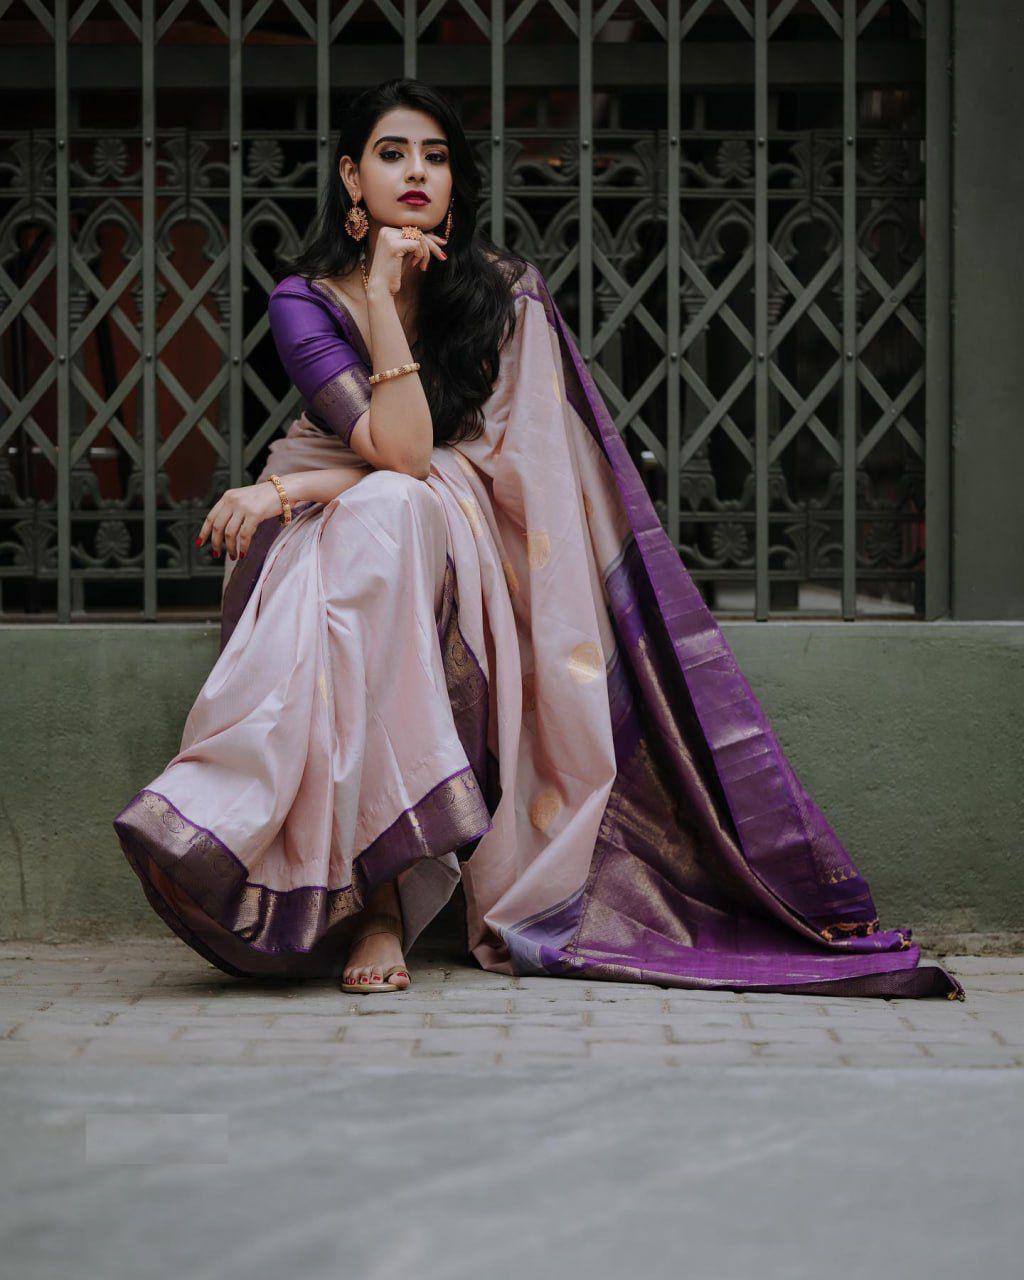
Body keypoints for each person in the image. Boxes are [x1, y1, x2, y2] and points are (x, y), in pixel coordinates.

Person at [112, 78, 964, 1002]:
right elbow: (395, 455)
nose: (415, 172)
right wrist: (360, 348)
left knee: (397, 515)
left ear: (456, 180)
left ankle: (380, 902)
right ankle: (367, 893)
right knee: (384, 529)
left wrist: (287, 479)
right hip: (319, 540)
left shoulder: (501, 295)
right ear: (352, 178)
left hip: (435, 527)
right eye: (392, 154)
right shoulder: (305, 300)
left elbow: (451, 466)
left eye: (436, 156)